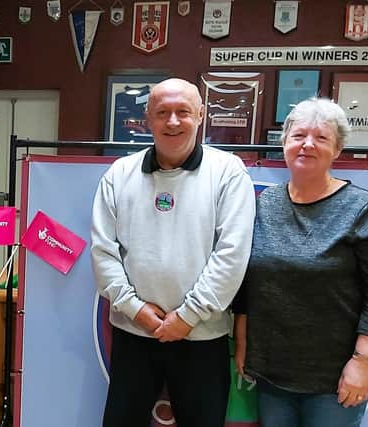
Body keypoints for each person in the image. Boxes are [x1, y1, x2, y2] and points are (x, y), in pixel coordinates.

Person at [91, 78, 256, 427]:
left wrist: (187, 317)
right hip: (134, 333)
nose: (173, 121)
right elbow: (103, 252)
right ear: (148, 118)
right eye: (162, 112)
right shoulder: (119, 174)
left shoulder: (228, 172)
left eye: (183, 111)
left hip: (202, 337)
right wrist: (138, 311)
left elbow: (232, 254)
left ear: (200, 115)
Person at [233, 98, 368, 427]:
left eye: (321, 138)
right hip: (271, 373)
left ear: (338, 149)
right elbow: (249, 280)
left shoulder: (361, 208)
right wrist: (243, 344)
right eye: (298, 136)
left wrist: (363, 361)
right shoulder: (265, 203)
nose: (307, 144)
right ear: (284, 144)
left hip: (334, 380)